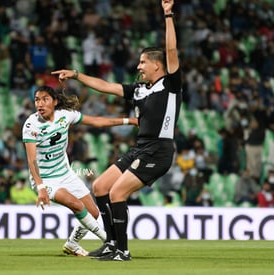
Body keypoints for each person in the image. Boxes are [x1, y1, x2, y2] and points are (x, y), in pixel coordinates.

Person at [51, 0, 180, 261]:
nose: (139, 66)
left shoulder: (171, 84)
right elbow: (106, 86)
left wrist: (168, 14)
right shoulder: (139, 89)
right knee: (99, 186)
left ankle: (123, 250)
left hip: (159, 150)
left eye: (143, 62)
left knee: (117, 193)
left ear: (158, 65)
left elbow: (171, 48)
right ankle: (111, 243)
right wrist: (76, 75)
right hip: (140, 147)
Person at [22, 85, 137, 257]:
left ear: (54, 101)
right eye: (37, 100)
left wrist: (130, 121)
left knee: (93, 212)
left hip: (66, 174)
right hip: (45, 179)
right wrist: (40, 188)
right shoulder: (31, 125)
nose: (40, 103)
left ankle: (72, 244)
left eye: (45, 99)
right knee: (76, 204)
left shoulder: (65, 116)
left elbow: (97, 122)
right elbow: (31, 159)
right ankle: (110, 242)